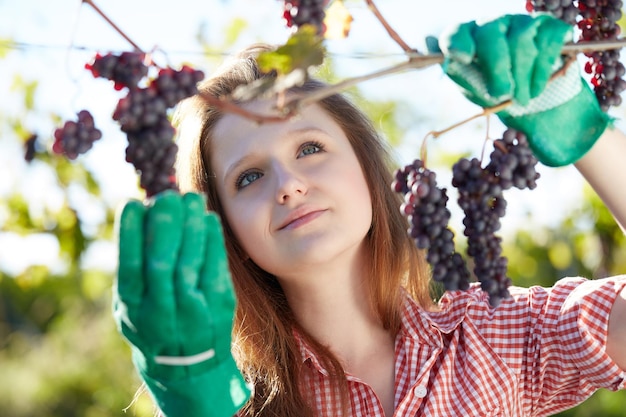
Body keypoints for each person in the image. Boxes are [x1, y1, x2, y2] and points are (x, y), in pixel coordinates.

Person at [113, 13, 626, 417]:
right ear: (223, 225)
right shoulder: (226, 399)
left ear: (366, 169)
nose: (288, 184)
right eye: (248, 177)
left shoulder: (497, 334)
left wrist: (589, 138)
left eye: (309, 148)